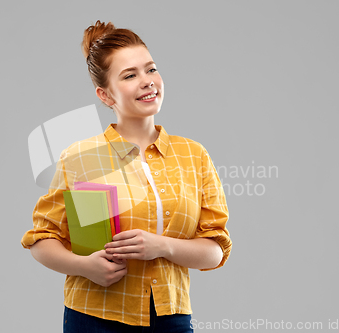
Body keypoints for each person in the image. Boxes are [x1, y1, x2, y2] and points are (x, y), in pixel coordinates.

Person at [21, 20, 232, 333]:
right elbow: (41, 238)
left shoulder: (194, 155)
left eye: (150, 69)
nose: (147, 81)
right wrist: (84, 266)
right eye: (130, 75)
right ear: (106, 95)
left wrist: (162, 246)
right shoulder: (82, 157)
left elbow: (215, 250)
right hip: (94, 316)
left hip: (170, 318)